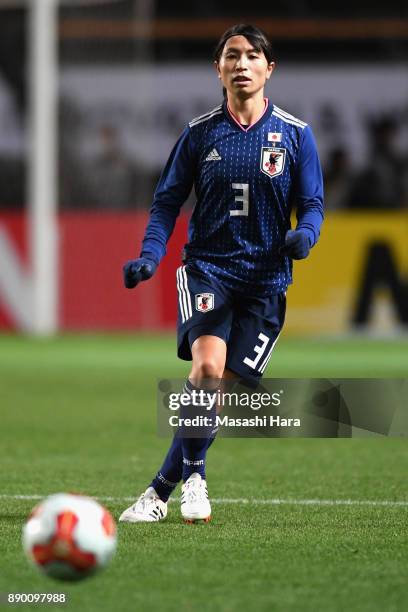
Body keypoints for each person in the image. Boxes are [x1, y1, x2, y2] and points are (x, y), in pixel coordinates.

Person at [119, 24, 324, 524]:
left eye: (253, 56)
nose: (242, 64)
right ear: (218, 68)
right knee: (206, 370)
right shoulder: (200, 133)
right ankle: (196, 481)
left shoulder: (296, 135)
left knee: (215, 394)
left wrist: (306, 236)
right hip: (209, 269)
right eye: (232, 55)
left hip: (267, 284)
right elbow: (167, 202)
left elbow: (313, 204)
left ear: (269, 68)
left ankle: (158, 491)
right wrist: (151, 254)